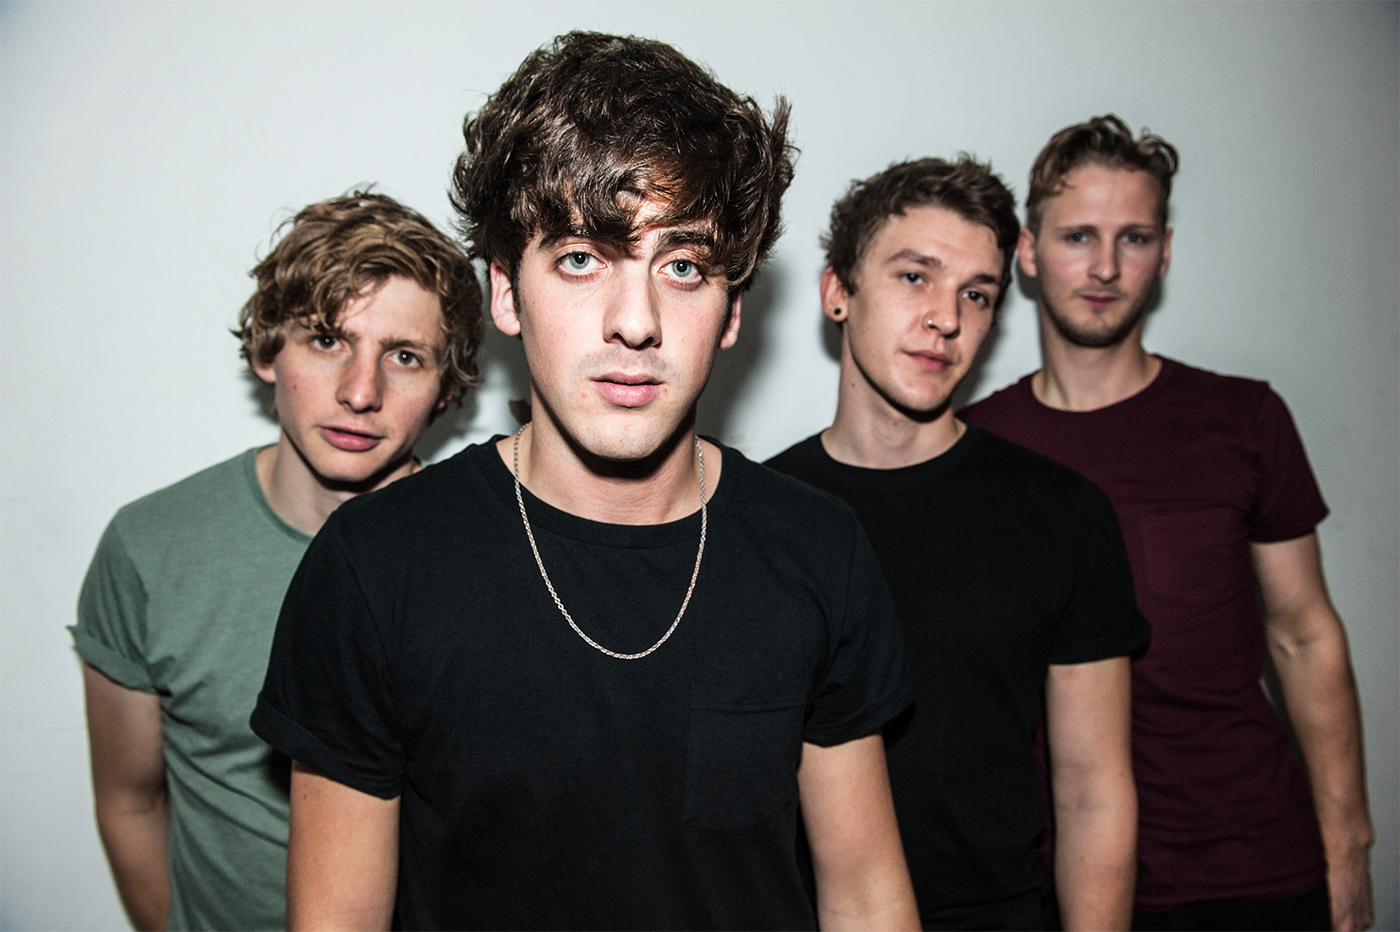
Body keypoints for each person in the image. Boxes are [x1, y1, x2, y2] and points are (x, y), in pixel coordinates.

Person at [250, 32, 919, 931]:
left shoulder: (816, 548)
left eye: (682, 266)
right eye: (580, 257)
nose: (636, 321)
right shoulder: (375, 567)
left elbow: (867, 894)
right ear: (506, 294)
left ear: (731, 310)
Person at [962, 115, 1375, 932]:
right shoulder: (977, 445)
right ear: (1029, 252)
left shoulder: (1243, 420)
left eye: (1135, 238)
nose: (1106, 267)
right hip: (1055, 881)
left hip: (1249, 869)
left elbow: (1304, 633)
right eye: (1078, 236)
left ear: (1166, 251)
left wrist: (1350, 845)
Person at [73, 190, 483, 931]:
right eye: (327, 340)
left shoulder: (486, 559)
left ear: (444, 386)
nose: (361, 392)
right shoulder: (151, 547)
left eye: (404, 356)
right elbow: (129, 799)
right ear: (269, 352)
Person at [767, 156, 1149, 931]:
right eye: (915, 277)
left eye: (976, 294)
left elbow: (1093, 792)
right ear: (838, 292)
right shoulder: (759, 516)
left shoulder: (1062, 513)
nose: (946, 318)